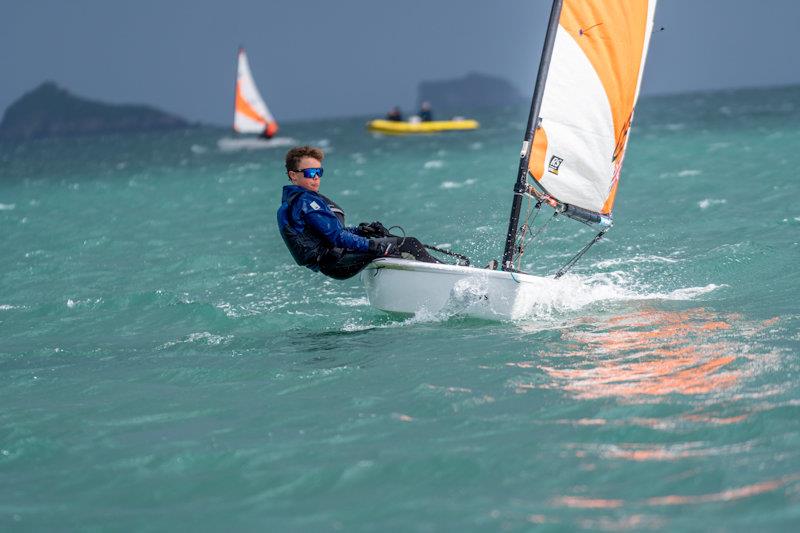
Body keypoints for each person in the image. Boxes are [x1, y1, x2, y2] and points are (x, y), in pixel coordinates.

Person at [277, 145, 441, 280]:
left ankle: (437, 271)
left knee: (387, 241)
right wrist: (373, 245)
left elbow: (327, 235)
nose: (316, 178)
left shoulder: (293, 202)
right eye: (310, 173)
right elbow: (337, 237)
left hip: (333, 260)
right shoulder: (305, 202)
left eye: (319, 172)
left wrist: (361, 231)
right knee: (408, 243)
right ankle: (440, 275)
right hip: (336, 261)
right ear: (293, 175)